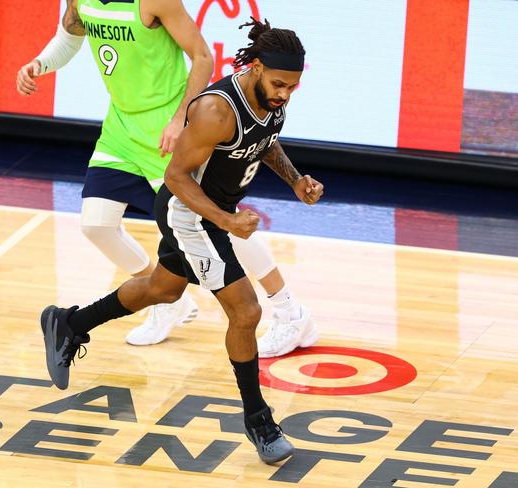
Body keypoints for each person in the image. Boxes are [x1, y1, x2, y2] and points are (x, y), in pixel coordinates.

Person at [39, 18, 324, 464]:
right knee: (246, 311)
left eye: (292, 86)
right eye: (280, 83)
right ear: (254, 68)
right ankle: (259, 421)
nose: (286, 93)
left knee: (161, 289)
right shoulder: (216, 110)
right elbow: (175, 176)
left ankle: (69, 324)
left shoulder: (271, 99)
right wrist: (227, 221)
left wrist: (295, 181)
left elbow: (265, 143)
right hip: (189, 214)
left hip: (213, 215)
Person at [17, 0, 317, 357]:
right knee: (97, 225)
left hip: (169, 128)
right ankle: (167, 301)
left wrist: (179, 120)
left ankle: (288, 311)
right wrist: (41, 63)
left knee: (215, 220)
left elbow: (203, 57)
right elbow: (70, 34)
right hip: (122, 127)